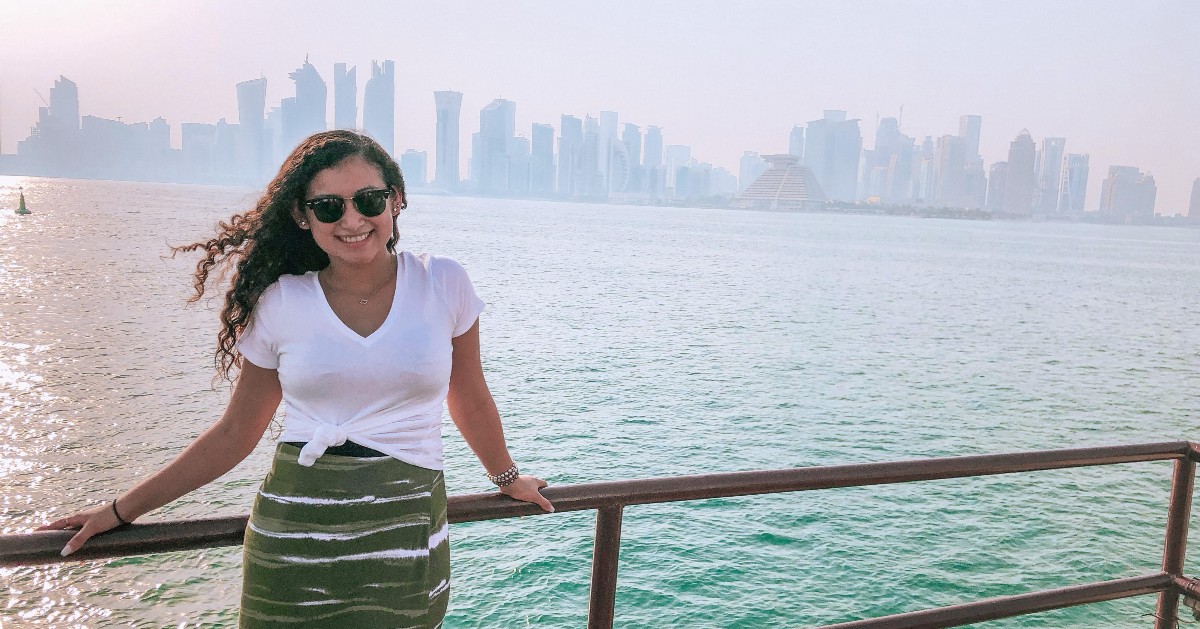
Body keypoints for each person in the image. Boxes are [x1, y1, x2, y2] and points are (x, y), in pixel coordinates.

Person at [38, 130, 553, 627]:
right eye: (329, 207)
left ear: (395, 201)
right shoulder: (281, 302)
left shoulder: (444, 282)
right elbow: (235, 434)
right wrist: (118, 511)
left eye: (369, 200)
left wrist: (507, 479)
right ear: (302, 217)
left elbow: (470, 397)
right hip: (292, 538)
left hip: (406, 534)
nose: (352, 219)